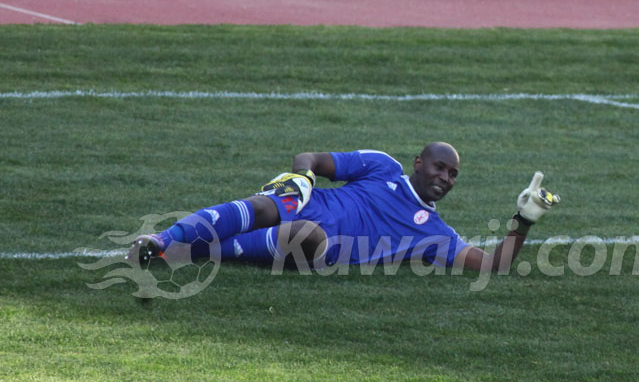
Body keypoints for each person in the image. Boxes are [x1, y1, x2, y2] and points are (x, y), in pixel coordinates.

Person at [127, 142, 560, 273]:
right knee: (270, 205)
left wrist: (523, 219)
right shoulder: (381, 166)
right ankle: (163, 242)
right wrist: (301, 180)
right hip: (298, 205)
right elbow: (310, 159)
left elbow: (495, 265)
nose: (445, 179)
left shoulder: (434, 233)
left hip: (320, 248)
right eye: (440, 168)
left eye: (452, 176)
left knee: (305, 234)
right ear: (418, 163)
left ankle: (182, 249)